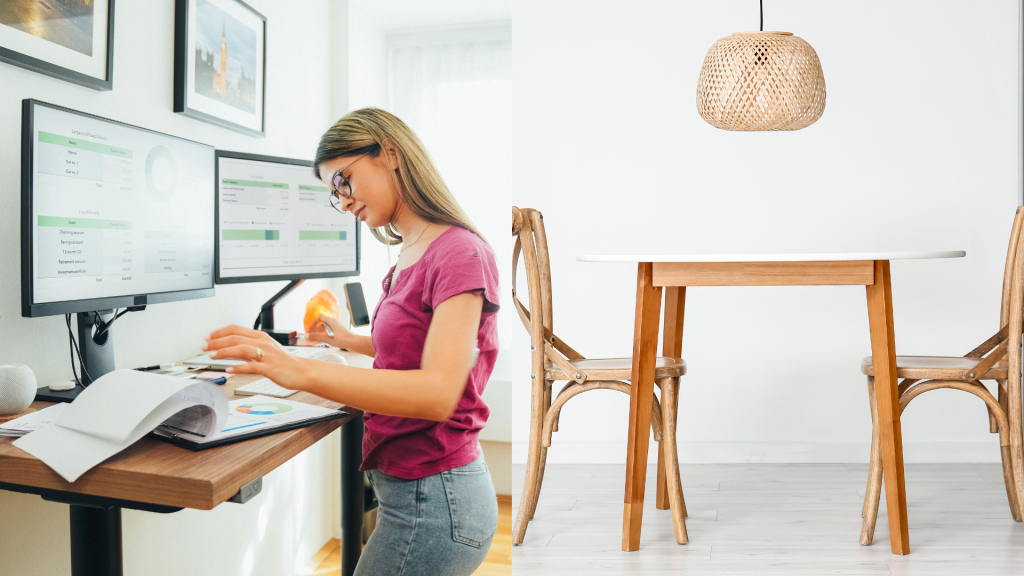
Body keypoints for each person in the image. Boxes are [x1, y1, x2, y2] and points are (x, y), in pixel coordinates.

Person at [202, 108, 500, 576]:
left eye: (344, 181)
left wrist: (296, 369)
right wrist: (351, 341)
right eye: (333, 194)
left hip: (436, 501)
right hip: (416, 493)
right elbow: (413, 350)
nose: (342, 201)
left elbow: (438, 392)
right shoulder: (410, 252)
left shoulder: (460, 252)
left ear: (391, 153)